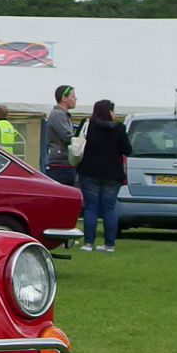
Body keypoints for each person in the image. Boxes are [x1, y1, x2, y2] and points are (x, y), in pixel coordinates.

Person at [76, 99, 131, 251]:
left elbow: (76, 143)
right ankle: (109, 244)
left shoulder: (88, 125)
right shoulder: (119, 128)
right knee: (108, 209)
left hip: (89, 171)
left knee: (91, 207)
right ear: (110, 112)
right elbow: (127, 150)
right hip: (112, 174)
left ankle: (88, 243)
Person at [44, 85, 78, 186]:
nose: (75, 99)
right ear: (64, 98)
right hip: (60, 163)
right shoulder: (58, 115)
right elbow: (67, 136)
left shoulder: (64, 115)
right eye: (72, 96)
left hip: (65, 163)